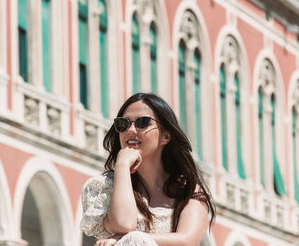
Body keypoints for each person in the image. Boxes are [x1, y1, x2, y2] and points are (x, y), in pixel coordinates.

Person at [80, 93, 215, 246]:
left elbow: (186, 240)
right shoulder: (103, 188)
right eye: (123, 124)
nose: (130, 130)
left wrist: (129, 238)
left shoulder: (188, 190)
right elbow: (124, 224)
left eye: (142, 123)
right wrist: (122, 166)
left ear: (166, 136)